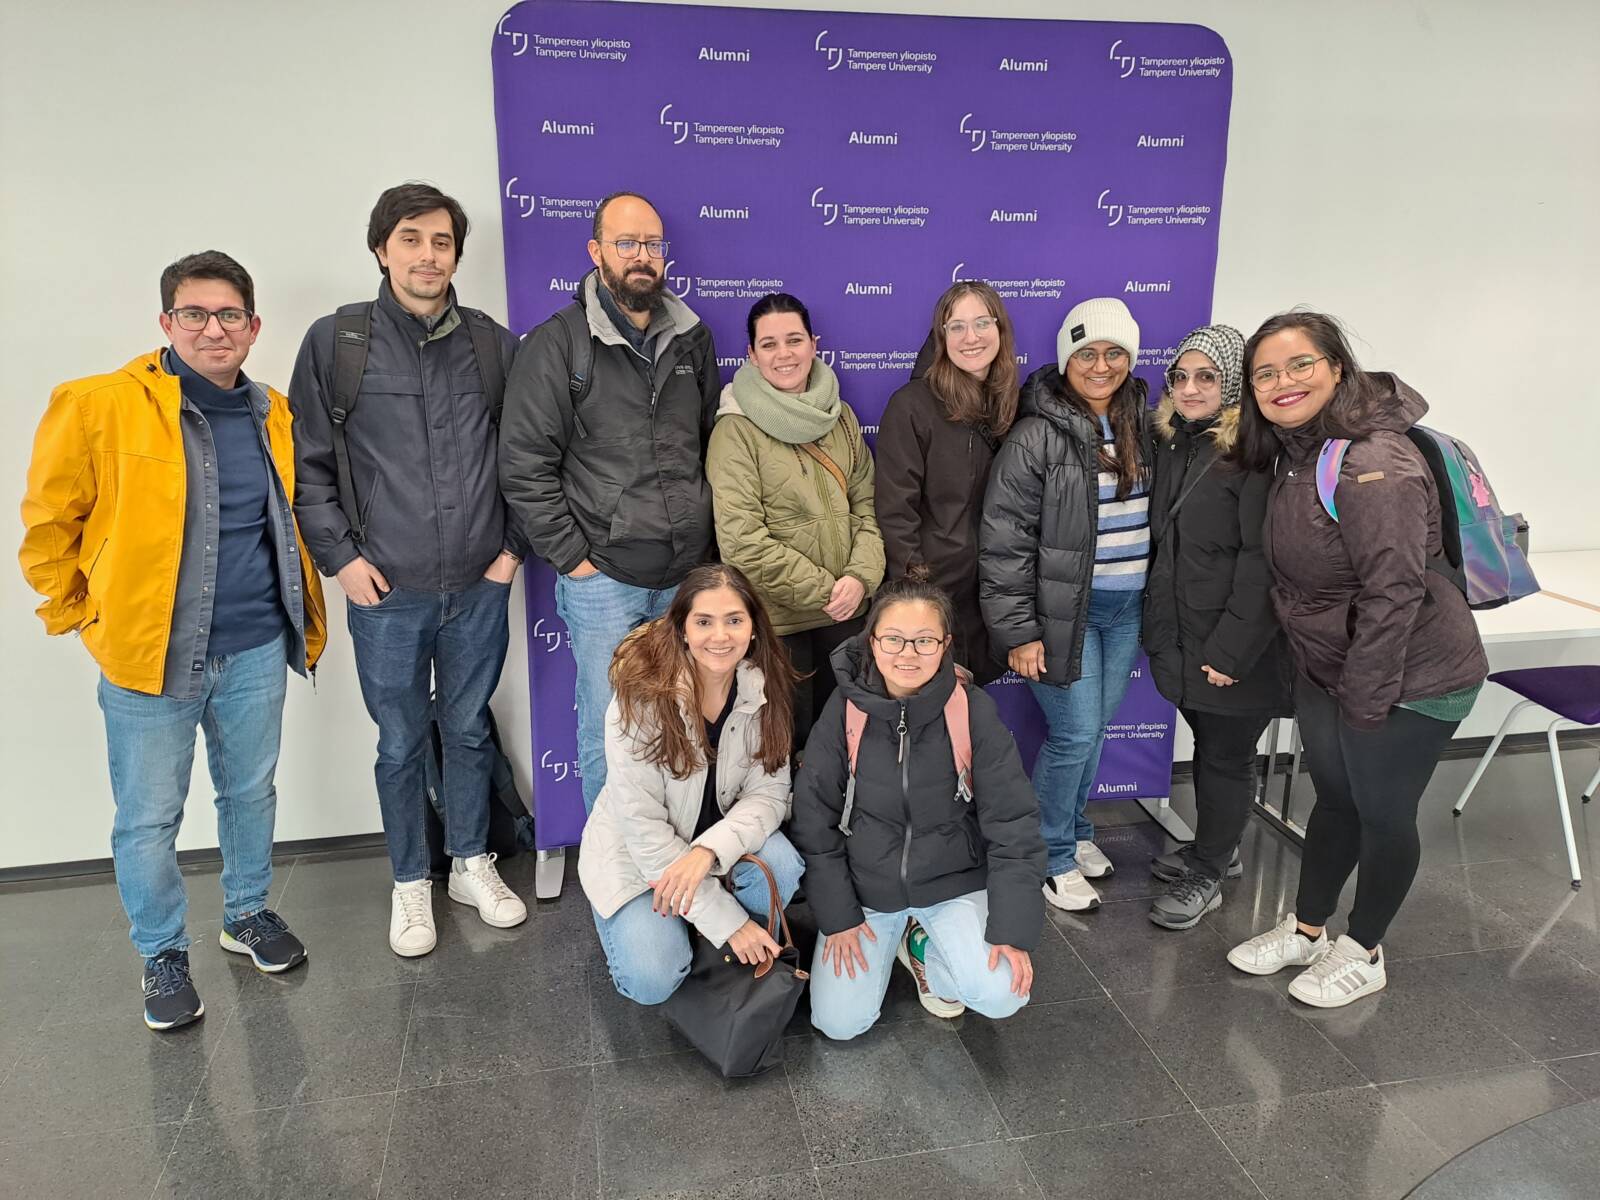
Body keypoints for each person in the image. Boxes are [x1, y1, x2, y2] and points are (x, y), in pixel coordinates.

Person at [19, 251, 326, 1030]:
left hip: (257, 645)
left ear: (253, 328)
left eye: (230, 316)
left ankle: (246, 913)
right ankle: (161, 953)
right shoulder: (101, 405)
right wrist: (82, 618)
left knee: (249, 793)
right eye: (195, 314)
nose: (213, 329)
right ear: (166, 323)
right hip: (149, 658)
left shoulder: (273, 411)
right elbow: (49, 524)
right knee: (149, 819)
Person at [290, 183, 528, 957]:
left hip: (478, 587)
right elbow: (309, 468)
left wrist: (508, 555)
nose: (429, 255)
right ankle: (409, 883)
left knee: (464, 730)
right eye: (412, 239)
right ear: (382, 248)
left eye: (443, 242)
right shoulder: (339, 342)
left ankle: (468, 863)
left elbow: (527, 461)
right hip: (386, 593)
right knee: (399, 741)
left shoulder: (494, 345)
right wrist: (342, 560)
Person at [1224, 312, 1487, 1007]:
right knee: (1335, 799)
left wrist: (1365, 696)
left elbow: (1393, 589)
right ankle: (1309, 929)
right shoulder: (1298, 450)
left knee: (1383, 811)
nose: (1283, 383)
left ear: (1337, 367)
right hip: (1336, 668)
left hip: (1411, 673)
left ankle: (1364, 948)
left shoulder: (1375, 462)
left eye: (1300, 364)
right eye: (1265, 373)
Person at [500, 191, 720, 812]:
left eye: (652, 244)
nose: (641, 257)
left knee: (685, 728)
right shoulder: (556, 344)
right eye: (627, 244)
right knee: (611, 732)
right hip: (605, 580)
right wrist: (575, 560)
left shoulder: (691, 338)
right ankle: (614, 876)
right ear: (597, 252)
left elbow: (705, 442)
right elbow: (523, 463)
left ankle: (680, 860)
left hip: (686, 577)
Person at [790, 578, 1045, 1037]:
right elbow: (814, 817)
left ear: (945, 644)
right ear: (872, 641)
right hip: (865, 887)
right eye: (894, 639)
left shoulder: (971, 710)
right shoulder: (846, 709)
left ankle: (923, 947)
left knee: (1003, 992)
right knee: (839, 1023)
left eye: (925, 641)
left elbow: (1014, 824)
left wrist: (1012, 929)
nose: (908, 654)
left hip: (952, 881)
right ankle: (895, 939)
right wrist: (839, 915)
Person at [980, 298, 1150, 912]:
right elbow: (1003, 544)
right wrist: (1020, 633)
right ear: (1065, 360)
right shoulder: (1035, 436)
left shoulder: (1141, 426)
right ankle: (1048, 854)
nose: (1100, 365)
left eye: (1113, 353)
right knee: (1075, 732)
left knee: (1095, 730)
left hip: (1123, 609)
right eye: (1085, 353)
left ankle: (1076, 833)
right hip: (1060, 618)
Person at [578, 563, 805, 1006]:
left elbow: (770, 794)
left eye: (734, 620)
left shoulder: (761, 685)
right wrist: (728, 923)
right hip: (640, 859)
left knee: (782, 864)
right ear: (681, 628)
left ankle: (709, 929)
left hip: (711, 846)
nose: (720, 636)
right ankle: (680, 927)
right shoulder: (640, 698)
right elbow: (643, 831)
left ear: (754, 627)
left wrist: (707, 852)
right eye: (704, 622)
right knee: (651, 979)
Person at [1140, 325, 1291, 930]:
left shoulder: (1253, 452)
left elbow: (1263, 560)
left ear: (1231, 383)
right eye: (1180, 376)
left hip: (1236, 640)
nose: (1190, 388)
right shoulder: (1179, 443)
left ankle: (1209, 869)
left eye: (1206, 376)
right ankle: (1217, 849)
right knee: (1212, 746)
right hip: (1186, 633)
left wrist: (1232, 649)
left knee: (1227, 755)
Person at [706, 292, 884, 754]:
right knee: (786, 749)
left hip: (848, 612)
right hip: (781, 624)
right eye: (768, 344)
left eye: (794, 340)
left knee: (852, 743)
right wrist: (830, 590)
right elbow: (742, 542)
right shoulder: (735, 429)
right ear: (750, 354)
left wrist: (860, 578)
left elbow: (868, 506)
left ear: (814, 344)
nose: (783, 354)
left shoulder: (840, 416)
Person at [875, 281, 1019, 685]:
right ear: (941, 337)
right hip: (933, 600)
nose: (970, 337)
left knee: (971, 723)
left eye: (981, 323)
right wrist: (921, 605)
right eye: (956, 326)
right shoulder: (912, 405)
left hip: (989, 597)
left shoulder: (1009, 404)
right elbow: (895, 511)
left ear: (1000, 330)